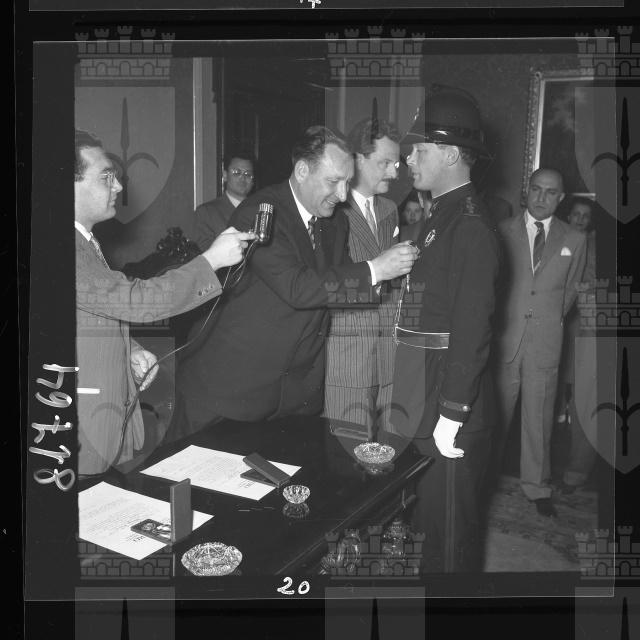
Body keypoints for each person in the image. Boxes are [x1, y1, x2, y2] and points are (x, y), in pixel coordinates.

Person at [174, 126, 418, 437]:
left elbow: (337, 288)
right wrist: (376, 269)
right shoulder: (261, 212)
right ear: (302, 171)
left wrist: (391, 272)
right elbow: (297, 288)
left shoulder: (333, 221)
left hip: (289, 396)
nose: (343, 195)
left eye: (347, 183)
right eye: (333, 182)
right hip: (227, 387)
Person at [74, 130, 254, 475]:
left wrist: (129, 349)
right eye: (106, 176)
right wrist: (211, 261)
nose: (118, 186)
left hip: (107, 415)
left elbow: (89, 310)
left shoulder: (84, 241)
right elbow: (134, 299)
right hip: (84, 425)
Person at [389, 87, 500, 573]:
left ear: (451, 154)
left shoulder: (469, 224)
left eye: (420, 150)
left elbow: (471, 328)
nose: (409, 159)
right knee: (423, 526)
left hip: (449, 404)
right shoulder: (444, 214)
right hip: (424, 391)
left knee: (447, 542)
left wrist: (452, 412)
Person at [493, 168, 587, 517]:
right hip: (506, 339)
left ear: (561, 198)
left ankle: (537, 486)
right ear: (527, 191)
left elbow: (570, 291)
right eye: (536, 189)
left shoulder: (575, 239)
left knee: (540, 419)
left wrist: (546, 320)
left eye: (550, 192)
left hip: (545, 342)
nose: (541, 197)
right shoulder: (502, 230)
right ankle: (484, 479)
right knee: (495, 417)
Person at [323, 117, 402, 433]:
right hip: (347, 362)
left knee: (389, 452)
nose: (394, 173)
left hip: (390, 361)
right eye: (385, 163)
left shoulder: (390, 209)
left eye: (396, 164)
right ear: (358, 159)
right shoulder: (330, 211)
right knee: (347, 452)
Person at [557, 196, 598, 493]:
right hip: (562, 325)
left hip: (591, 327)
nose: (580, 220)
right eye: (576, 214)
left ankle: (576, 472)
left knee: (586, 400)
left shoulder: (595, 244)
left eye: (586, 216)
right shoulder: (560, 240)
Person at [192, 152, 255, 250]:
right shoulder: (206, 212)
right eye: (237, 172)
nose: (243, 178)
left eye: (248, 174)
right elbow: (205, 254)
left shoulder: (260, 211)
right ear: (225, 175)